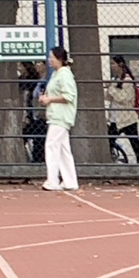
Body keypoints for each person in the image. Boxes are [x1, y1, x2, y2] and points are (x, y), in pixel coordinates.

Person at [42, 44, 79, 190]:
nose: (49, 60)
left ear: (59, 59)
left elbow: (69, 96)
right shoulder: (57, 73)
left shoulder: (64, 74)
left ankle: (52, 181)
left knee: (51, 146)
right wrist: (47, 98)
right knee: (63, 149)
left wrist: (50, 99)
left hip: (60, 116)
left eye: (51, 57)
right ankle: (70, 181)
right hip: (57, 115)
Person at [105, 54, 139, 165]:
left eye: (113, 64)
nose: (111, 66)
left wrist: (111, 88)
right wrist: (109, 88)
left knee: (135, 144)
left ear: (120, 64)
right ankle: (110, 161)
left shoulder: (127, 80)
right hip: (115, 119)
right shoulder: (115, 80)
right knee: (109, 142)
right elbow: (109, 97)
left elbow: (123, 98)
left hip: (128, 119)